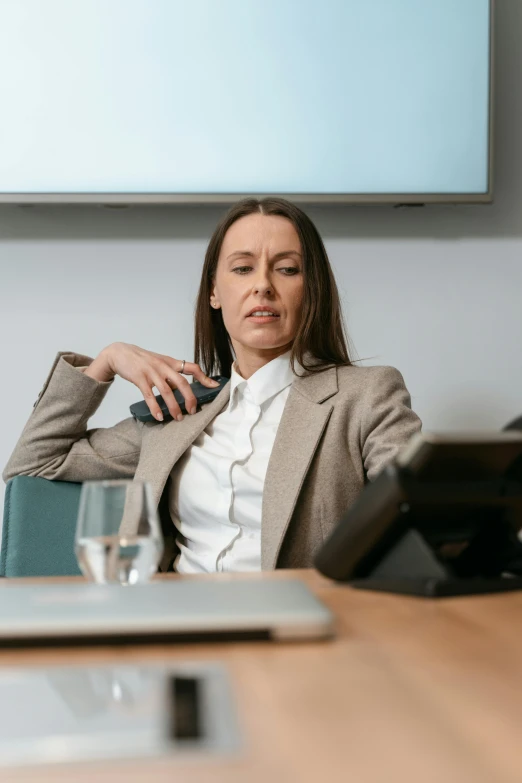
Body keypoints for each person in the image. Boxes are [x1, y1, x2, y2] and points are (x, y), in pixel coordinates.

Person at [3, 197, 421, 573]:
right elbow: (35, 462)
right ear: (214, 292)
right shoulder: (179, 411)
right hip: (172, 628)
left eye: (287, 269)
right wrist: (108, 360)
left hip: (300, 634)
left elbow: (418, 525)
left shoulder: (365, 396)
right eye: (242, 268)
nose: (263, 285)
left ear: (311, 290)